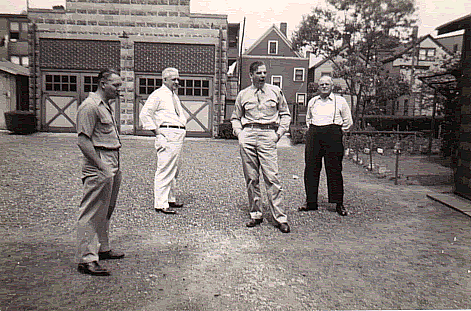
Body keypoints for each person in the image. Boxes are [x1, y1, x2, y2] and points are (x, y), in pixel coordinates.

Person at [231, 61, 292, 233]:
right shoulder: (243, 95)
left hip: (268, 135)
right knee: (252, 178)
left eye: (265, 73)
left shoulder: (275, 92)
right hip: (248, 135)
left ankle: (280, 218)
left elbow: (285, 114)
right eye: (259, 73)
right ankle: (255, 214)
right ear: (251, 75)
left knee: (272, 177)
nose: (263, 76)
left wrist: (278, 134)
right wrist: (240, 134)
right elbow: (235, 117)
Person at [75, 69, 124, 276]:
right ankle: (86, 259)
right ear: (103, 84)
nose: (119, 90)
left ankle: (102, 249)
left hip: (112, 159)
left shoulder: (106, 106)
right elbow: (83, 140)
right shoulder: (90, 106)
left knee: (107, 208)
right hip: (100, 161)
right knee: (92, 211)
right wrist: (100, 165)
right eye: (116, 86)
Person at [300, 75, 353, 216]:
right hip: (315, 134)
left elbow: (348, 122)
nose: (324, 86)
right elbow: (308, 119)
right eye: (321, 84)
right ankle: (311, 202)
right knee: (311, 168)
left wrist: (337, 132)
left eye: (327, 84)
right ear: (318, 87)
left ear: (332, 86)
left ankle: (338, 203)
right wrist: (314, 131)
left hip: (333, 135)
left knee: (334, 169)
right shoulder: (313, 101)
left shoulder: (340, 101)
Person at [139, 67, 187, 215]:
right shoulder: (158, 95)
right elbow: (145, 114)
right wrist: (157, 132)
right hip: (167, 133)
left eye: (178, 79)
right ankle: (160, 203)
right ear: (164, 79)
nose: (177, 82)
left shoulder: (173, 96)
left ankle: (170, 198)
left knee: (174, 169)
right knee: (165, 168)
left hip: (177, 134)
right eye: (174, 79)